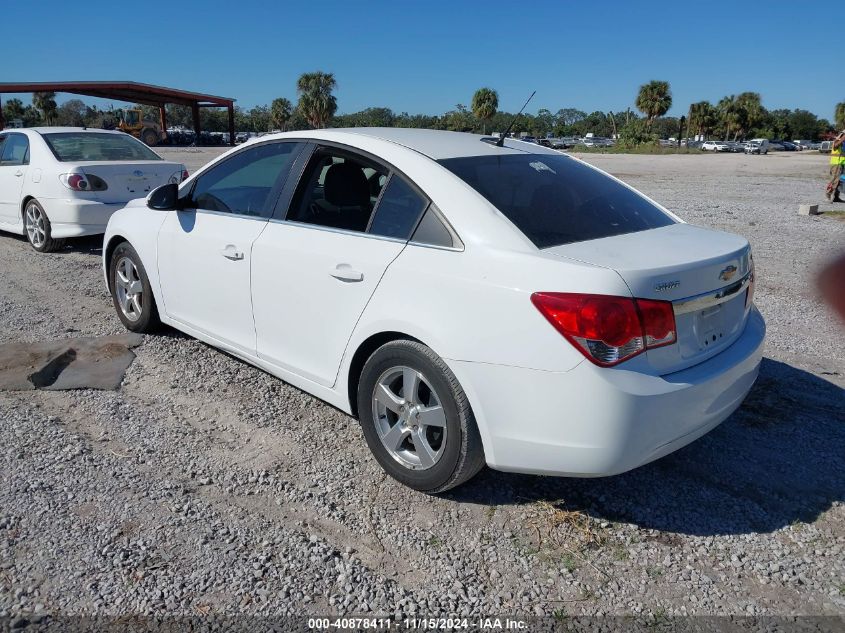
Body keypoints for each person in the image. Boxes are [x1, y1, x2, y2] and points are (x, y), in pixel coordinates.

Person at [826, 130, 845, 202]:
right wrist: (842, 138)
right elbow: (835, 146)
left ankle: (836, 197)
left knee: (840, 181)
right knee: (834, 180)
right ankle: (828, 194)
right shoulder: (837, 140)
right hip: (836, 163)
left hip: (842, 163)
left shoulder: (843, 142)